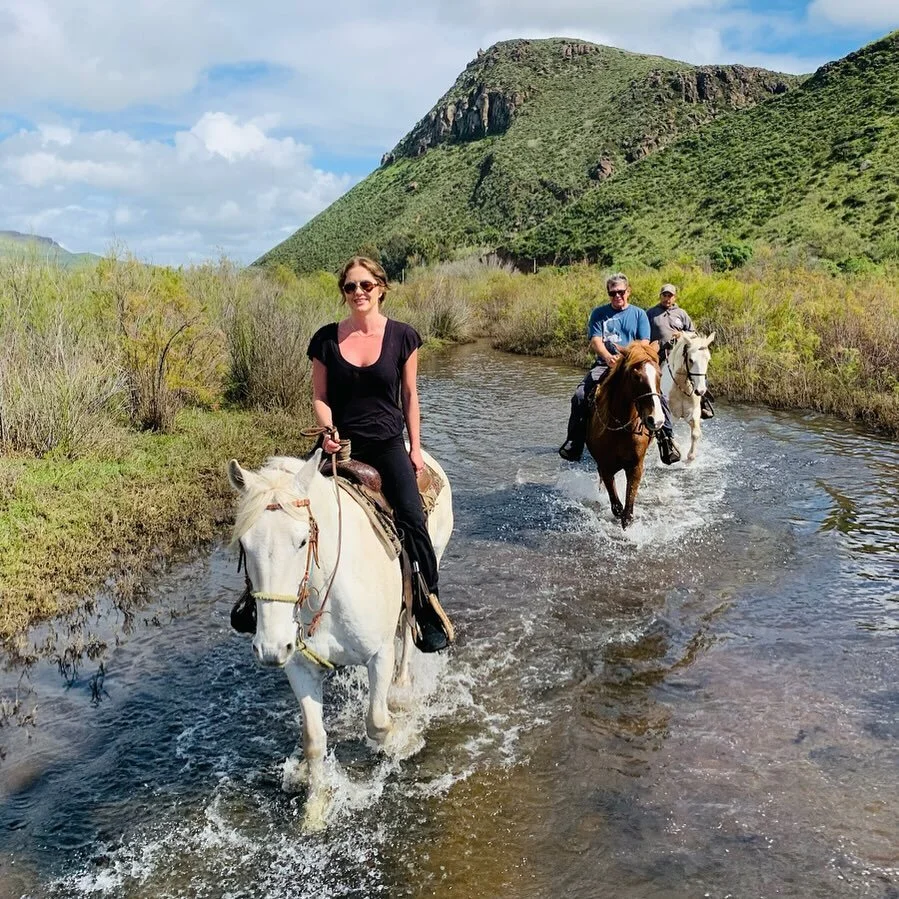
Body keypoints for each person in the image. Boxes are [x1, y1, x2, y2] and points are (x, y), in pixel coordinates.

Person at [306, 256, 453, 653]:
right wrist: (327, 432)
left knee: (411, 516)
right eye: (351, 287)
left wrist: (415, 449)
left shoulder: (403, 336)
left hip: (387, 443)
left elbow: (410, 396)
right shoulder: (325, 339)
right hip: (340, 444)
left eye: (365, 285)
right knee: (287, 506)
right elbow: (320, 397)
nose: (358, 293)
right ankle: (263, 601)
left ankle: (426, 607)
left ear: (381, 288)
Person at [559, 273, 681, 465]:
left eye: (621, 292)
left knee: (658, 396)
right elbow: (595, 340)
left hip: (633, 366)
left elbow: (644, 342)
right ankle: (575, 441)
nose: (617, 296)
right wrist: (607, 357)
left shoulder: (639, 314)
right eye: (612, 293)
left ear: (628, 292)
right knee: (580, 395)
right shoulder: (599, 313)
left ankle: (666, 440)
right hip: (605, 364)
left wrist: (627, 358)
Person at [646, 283, 714, 419]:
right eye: (664, 295)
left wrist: (682, 334)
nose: (667, 298)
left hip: (680, 353)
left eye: (670, 296)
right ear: (660, 296)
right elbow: (644, 333)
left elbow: (693, 332)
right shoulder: (651, 313)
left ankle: (702, 403)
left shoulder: (681, 313)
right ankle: (650, 404)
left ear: (674, 297)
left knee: (697, 370)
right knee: (649, 377)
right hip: (659, 353)